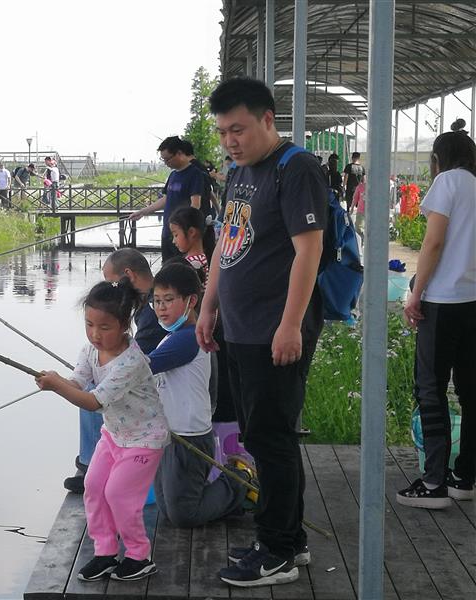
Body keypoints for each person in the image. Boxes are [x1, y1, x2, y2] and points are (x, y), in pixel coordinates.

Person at [196, 77, 326, 588]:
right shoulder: (238, 173)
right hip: (240, 327)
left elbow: (309, 251)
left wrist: (290, 324)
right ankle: (289, 540)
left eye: (239, 129)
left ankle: (277, 552)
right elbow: (226, 246)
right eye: (224, 131)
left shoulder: (297, 169)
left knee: (270, 437)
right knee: (261, 436)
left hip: (276, 329)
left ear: (268, 120)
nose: (231, 140)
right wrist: (207, 308)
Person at [35, 278, 169, 582]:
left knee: (118, 494)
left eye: (104, 327)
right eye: (89, 324)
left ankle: (138, 555)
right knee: (94, 487)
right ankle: (105, 551)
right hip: (114, 435)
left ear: (124, 325)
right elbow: (78, 384)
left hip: (144, 440)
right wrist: (55, 382)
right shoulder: (90, 350)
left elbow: (94, 402)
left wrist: (57, 387)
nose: (95, 334)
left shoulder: (130, 362)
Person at [397, 129, 476, 509]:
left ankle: (433, 483)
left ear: (440, 158)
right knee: (470, 390)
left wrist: (415, 292)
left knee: (430, 389)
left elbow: (433, 242)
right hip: (473, 301)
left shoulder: (447, 182)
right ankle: (465, 476)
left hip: (442, 300)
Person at [149, 262, 247, 527]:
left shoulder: (188, 338)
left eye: (168, 300)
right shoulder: (169, 338)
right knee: (168, 512)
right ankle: (225, 492)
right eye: (156, 301)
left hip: (189, 436)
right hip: (169, 435)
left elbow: (142, 368)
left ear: (192, 301)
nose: (161, 308)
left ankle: (239, 482)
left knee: (184, 516)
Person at [63, 249, 168, 495]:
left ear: (127, 276)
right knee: (90, 387)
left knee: (93, 394)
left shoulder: (151, 310)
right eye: (89, 325)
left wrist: (60, 385)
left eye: (112, 282)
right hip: (138, 387)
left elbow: (138, 359)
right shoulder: (143, 306)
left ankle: (88, 463)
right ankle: (91, 464)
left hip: (148, 402)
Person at [130, 137, 204, 262]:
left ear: (179, 153)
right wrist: (143, 212)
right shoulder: (173, 174)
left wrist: (184, 230)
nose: (166, 163)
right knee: (167, 267)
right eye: (163, 159)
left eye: (167, 159)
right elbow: (166, 199)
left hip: (181, 235)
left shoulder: (195, 174)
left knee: (181, 270)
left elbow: (195, 205)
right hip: (167, 231)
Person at [168, 205, 215, 286]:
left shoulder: (192, 263)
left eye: (176, 235)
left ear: (191, 232)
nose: (173, 241)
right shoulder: (205, 257)